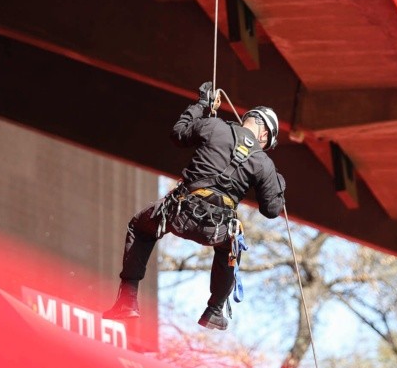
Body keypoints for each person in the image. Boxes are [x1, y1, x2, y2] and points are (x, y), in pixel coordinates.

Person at [102, 82, 286, 330]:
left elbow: (179, 133)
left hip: (179, 213)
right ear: (264, 134)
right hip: (216, 230)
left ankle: (127, 300)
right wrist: (278, 182)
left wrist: (201, 105)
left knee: (140, 226)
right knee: (230, 247)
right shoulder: (263, 163)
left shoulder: (215, 126)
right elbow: (272, 209)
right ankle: (214, 310)